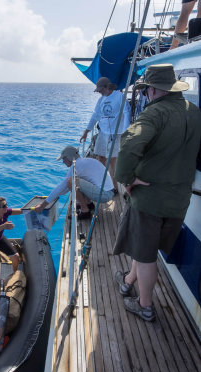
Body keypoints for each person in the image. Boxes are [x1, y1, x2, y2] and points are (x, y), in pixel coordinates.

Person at [113, 64, 201, 322]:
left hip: (150, 198)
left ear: (152, 90)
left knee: (147, 255)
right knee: (145, 249)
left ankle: (145, 306)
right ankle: (128, 281)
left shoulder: (154, 115)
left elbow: (128, 147)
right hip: (179, 199)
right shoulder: (194, 111)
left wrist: (127, 179)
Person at [80, 77, 131, 195]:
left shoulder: (119, 97)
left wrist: (126, 130)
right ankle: (100, 183)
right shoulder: (101, 100)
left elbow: (127, 112)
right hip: (103, 132)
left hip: (116, 133)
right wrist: (86, 131)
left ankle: (114, 188)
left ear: (107, 87)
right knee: (100, 158)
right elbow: (95, 115)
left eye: (100, 89)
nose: (98, 92)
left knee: (112, 161)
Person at [34, 145, 114, 220]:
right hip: (108, 192)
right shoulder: (86, 161)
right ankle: (88, 204)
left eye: (63, 159)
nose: (63, 162)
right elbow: (65, 189)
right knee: (75, 180)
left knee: (71, 181)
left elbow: (63, 187)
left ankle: (85, 211)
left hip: (104, 195)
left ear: (69, 157)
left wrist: (42, 205)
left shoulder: (76, 166)